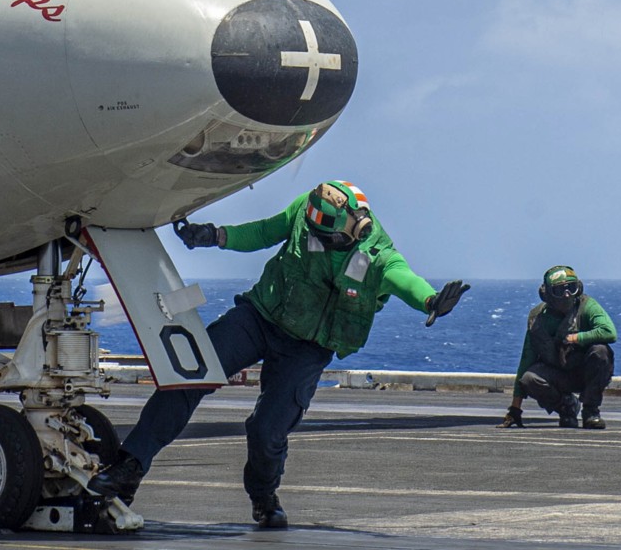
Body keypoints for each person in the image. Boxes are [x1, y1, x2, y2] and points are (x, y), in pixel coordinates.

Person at [89, 181, 470, 529]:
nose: (312, 223)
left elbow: (403, 279)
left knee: (268, 430)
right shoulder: (308, 210)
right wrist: (215, 235)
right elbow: (264, 231)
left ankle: (263, 496)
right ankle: (129, 468)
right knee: (190, 376)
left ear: (351, 227)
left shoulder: (377, 256)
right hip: (261, 316)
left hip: (308, 346)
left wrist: (431, 301)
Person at [501, 265, 616, 430]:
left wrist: (578, 338)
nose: (567, 294)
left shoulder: (587, 306)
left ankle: (591, 411)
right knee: (529, 379)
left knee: (601, 352)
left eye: (571, 288)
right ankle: (566, 407)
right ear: (547, 294)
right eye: (560, 290)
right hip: (558, 375)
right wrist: (515, 408)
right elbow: (526, 359)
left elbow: (609, 332)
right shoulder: (538, 320)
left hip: (586, 372)